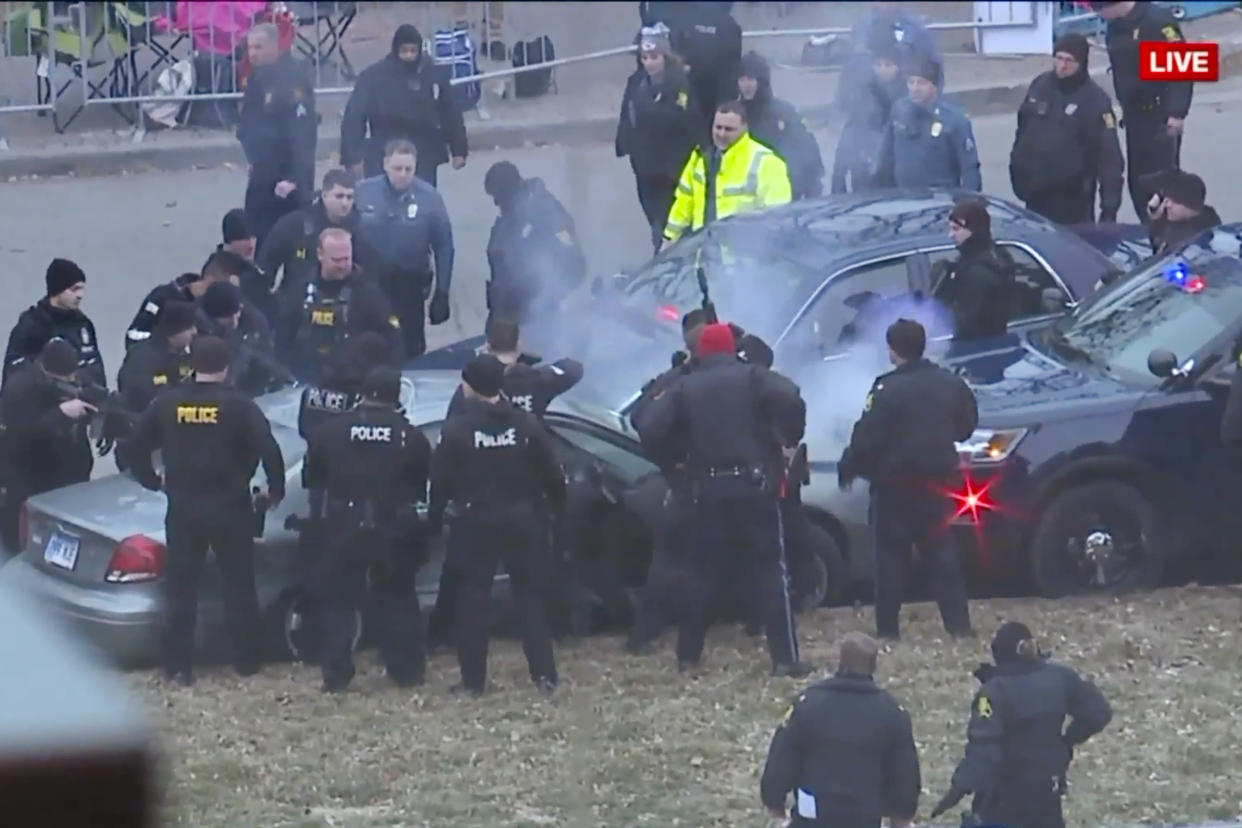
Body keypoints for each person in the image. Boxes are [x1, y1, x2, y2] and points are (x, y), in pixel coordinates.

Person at [633, 322, 809, 676]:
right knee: (770, 573)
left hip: (706, 490)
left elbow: (648, 424)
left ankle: (688, 657)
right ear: (731, 349)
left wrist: (674, 457)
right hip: (754, 487)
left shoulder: (684, 386)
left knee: (699, 574)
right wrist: (786, 435)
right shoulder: (754, 377)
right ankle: (785, 659)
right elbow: (791, 395)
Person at [126, 336, 285, 686]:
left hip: (184, 507)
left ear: (191, 365)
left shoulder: (167, 403)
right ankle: (245, 660)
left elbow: (134, 446)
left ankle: (178, 666)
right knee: (239, 585)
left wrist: (153, 481)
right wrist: (275, 490)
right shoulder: (240, 407)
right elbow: (269, 451)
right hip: (231, 506)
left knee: (182, 589)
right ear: (226, 367)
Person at [429, 318, 583, 648]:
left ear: (486, 342)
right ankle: (556, 633)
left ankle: (443, 635)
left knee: (464, 578)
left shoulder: (467, 391)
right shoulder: (536, 381)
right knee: (536, 575)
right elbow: (573, 368)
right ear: (519, 342)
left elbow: (450, 439)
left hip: (477, 496)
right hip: (526, 491)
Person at [429, 354, 566, 696]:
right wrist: (556, 508)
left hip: (476, 522)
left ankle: (474, 681)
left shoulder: (457, 429)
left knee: (473, 601)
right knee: (530, 599)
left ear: (471, 387)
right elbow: (551, 472)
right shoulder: (526, 424)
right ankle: (545, 676)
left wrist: (435, 517)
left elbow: (440, 482)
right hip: (524, 519)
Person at [838, 319, 976, 640]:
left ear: (892, 350)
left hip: (894, 490)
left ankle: (888, 632)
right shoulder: (950, 383)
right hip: (938, 486)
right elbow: (966, 426)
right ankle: (959, 628)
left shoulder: (886, 389)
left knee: (889, 564)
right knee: (944, 559)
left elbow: (866, 437)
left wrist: (849, 467)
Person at [302, 366, 432, 693]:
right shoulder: (410, 436)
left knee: (339, 602)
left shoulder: (331, 431)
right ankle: (405, 670)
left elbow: (313, 478)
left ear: (363, 392)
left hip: (344, 522)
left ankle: (336, 674)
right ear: (395, 397)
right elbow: (420, 484)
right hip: (393, 523)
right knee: (398, 597)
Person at [931, 621, 1113, 828]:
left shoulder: (994, 692)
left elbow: (983, 751)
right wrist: (1066, 741)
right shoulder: (1060, 677)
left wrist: (958, 789)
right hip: (1048, 788)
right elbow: (1098, 712)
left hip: (1004, 796)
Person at [759, 632, 920, 827]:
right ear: (874, 666)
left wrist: (774, 802)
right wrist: (902, 815)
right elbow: (905, 775)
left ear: (840, 662)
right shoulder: (892, 713)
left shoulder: (808, 704)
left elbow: (781, 758)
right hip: (864, 819)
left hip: (812, 818)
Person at [1093, 1, 1193, 222]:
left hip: (1159, 115)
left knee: (1160, 183)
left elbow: (1181, 65)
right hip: (1134, 116)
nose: (1100, 17)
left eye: (1100, 11)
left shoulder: (1157, 20)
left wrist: (1176, 112)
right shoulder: (1116, 26)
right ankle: (1150, 231)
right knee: (1138, 183)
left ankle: (1170, 236)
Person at [354, 139, 455, 359]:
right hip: (371, 284)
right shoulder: (363, 192)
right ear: (385, 165)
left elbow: (444, 244)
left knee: (411, 349)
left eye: (408, 169)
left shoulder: (429, 197)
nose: (403, 174)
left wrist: (443, 291)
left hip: (410, 286)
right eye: (397, 168)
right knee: (370, 346)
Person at [1009, 33, 1124, 225]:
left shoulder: (1095, 100)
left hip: (1073, 200)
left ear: (1081, 63)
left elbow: (1109, 159)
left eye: (1070, 61)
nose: (1062, 66)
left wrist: (1109, 209)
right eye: (1059, 58)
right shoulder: (1040, 86)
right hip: (1036, 193)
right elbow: (1023, 131)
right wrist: (1017, 172)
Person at [340, 23, 468, 187]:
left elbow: (450, 113)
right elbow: (355, 116)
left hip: (424, 152)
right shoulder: (374, 77)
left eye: (413, 51)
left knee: (422, 203)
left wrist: (459, 149)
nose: (408, 56)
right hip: (384, 149)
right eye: (404, 51)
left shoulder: (432, 74)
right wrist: (352, 157)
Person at [0, 340, 96, 552]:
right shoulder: (19, 389)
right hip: (30, 480)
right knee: (22, 548)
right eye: (64, 380)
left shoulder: (76, 380)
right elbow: (20, 437)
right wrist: (60, 415)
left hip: (70, 477)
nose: (71, 382)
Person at [277, 227, 403, 384]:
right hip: (304, 381)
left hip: (353, 382)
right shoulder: (299, 291)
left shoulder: (368, 294)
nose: (343, 265)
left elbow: (393, 339)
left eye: (346, 259)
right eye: (336, 260)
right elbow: (282, 336)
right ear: (320, 254)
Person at [661, 101, 792, 249]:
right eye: (718, 127)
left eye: (729, 129)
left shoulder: (767, 162)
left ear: (744, 128)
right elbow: (683, 203)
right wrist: (669, 240)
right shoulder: (700, 158)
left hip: (745, 259)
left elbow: (777, 217)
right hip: (705, 254)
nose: (721, 134)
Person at [615, 25, 699, 251]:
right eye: (644, 57)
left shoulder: (680, 85)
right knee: (654, 217)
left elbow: (685, 122)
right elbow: (627, 114)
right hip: (645, 167)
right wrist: (626, 145)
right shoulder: (637, 83)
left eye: (653, 57)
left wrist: (654, 109)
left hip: (671, 167)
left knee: (670, 223)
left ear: (666, 56)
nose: (648, 63)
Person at [257, 168, 384, 317]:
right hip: (298, 309)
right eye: (339, 196)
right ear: (324, 195)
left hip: (347, 311)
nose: (345, 203)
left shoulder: (362, 232)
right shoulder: (296, 225)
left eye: (349, 197)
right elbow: (265, 269)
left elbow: (373, 278)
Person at [237, 22, 317, 247]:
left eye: (259, 48)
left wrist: (295, 178)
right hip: (262, 172)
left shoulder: (294, 78)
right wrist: (252, 158)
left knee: (296, 243)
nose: (253, 54)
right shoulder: (257, 78)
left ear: (275, 46)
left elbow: (304, 134)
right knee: (256, 236)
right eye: (250, 48)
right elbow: (247, 125)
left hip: (287, 177)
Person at [484, 161, 587, 327]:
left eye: (498, 196)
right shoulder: (511, 213)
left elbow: (567, 248)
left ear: (509, 191)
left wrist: (546, 284)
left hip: (538, 299)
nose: (496, 203)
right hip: (512, 300)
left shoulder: (542, 209)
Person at [444, 318, 584, 421]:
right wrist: (535, 366)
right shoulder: (537, 380)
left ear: (487, 346)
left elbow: (451, 424)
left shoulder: (474, 385)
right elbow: (574, 368)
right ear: (518, 345)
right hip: (527, 455)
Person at [875, 58, 982, 192]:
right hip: (902, 197)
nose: (915, 88)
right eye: (911, 82)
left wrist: (969, 202)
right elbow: (885, 156)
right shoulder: (899, 110)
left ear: (935, 86)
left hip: (940, 198)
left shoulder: (954, 119)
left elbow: (969, 168)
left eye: (921, 83)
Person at [4, 259, 105, 392]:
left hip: (83, 402)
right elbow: (14, 373)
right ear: (58, 290)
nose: (80, 295)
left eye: (82, 289)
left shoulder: (83, 325)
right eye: (74, 290)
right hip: (43, 405)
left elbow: (97, 370)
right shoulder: (31, 325)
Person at [736, 51, 824, 201]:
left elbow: (807, 152)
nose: (745, 85)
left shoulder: (782, 113)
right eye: (742, 79)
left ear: (762, 81)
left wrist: (810, 193)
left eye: (750, 79)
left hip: (782, 194)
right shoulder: (734, 114)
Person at [644, 1, 742, 133]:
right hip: (681, 97)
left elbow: (730, 70)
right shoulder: (676, 14)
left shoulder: (726, 26)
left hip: (706, 99)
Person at [832, 31, 906, 194]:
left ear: (898, 67)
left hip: (898, 178)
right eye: (878, 65)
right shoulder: (863, 94)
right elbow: (849, 135)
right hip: (864, 174)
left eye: (888, 65)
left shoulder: (908, 96)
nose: (882, 69)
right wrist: (838, 182)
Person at [125, 252, 243, 351]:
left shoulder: (221, 313)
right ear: (210, 281)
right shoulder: (163, 298)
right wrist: (170, 344)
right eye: (226, 289)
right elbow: (133, 338)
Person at [938, 200, 1016, 343]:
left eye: (956, 229)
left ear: (973, 230)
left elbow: (964, 322)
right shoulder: (994, 255)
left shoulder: (977, 273)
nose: (951, 235)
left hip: (979, 349)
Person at [197, 282, 286, 397]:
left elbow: (266, 352)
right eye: (227, 317)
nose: (234, 321)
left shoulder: (254, 321)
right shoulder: (196, 324)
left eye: (236, 313)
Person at [117, 301, 197, 418]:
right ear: (176, 330)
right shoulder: (142, 357)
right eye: (190, 328)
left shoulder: (186, 356)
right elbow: (137, 394)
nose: (194, 332)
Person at [1145, 169, 1221, 256]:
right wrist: (1156, 219)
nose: (1167, 205)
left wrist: (1156, 223)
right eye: (1166, 200)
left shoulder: (1185, 240)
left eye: (1174, 201)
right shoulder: (1206, 221)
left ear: (1189, 205)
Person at [211, 209, 270, 319]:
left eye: (253, 237)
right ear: (230, 240)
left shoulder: (250, 268)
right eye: (244, 238)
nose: (251, 244)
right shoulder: (219, 273)